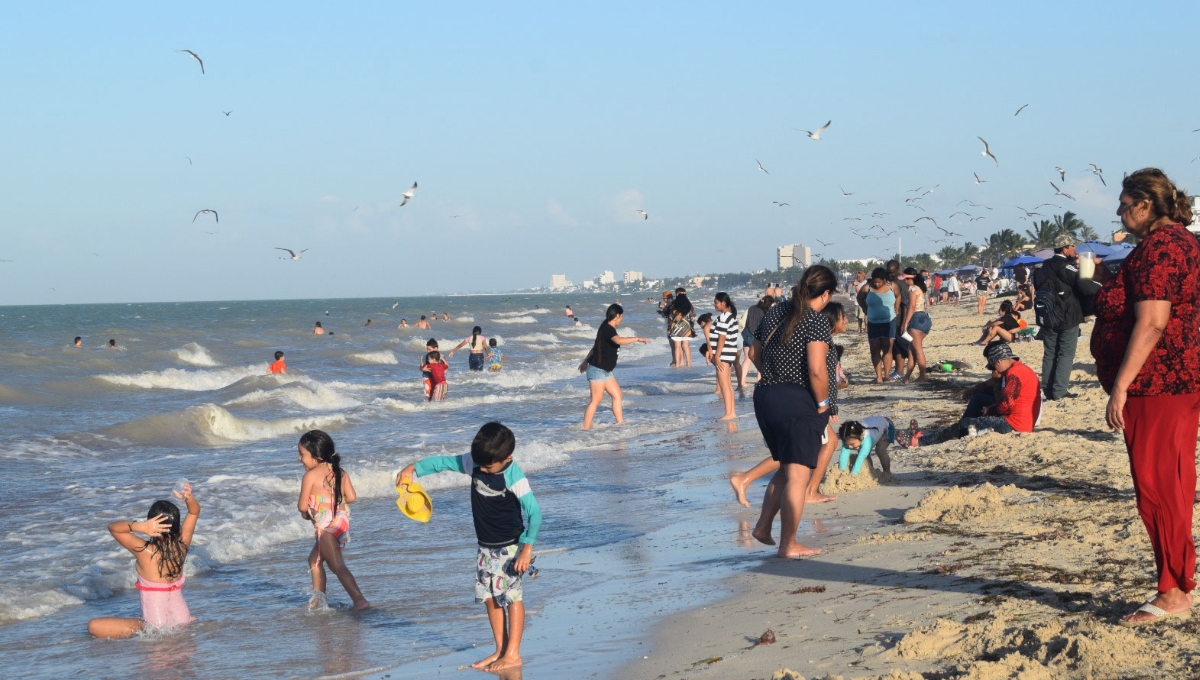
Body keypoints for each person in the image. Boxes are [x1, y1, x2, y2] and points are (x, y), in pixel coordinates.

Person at [1092, 168, 1200, 626]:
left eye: (1122, 204)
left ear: (1143, 205)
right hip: (1181, 378)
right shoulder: (1183, 243)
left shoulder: (1158, 249)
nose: (1118, 212)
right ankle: (1179, 578)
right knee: (1173, 483)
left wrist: (1121, 386)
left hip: (1157, 384)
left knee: (1157, 488)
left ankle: (1174, 589)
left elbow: (1153, 321)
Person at [396, 422, 541, 672]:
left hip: (510, 549)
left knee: (512, 598)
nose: (482, 470)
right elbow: (443, 463)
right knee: (489, 597)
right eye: (480, 465)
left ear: (507, 458)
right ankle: (500, 648)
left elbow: (535, 514)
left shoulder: (513, 475)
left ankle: (514, 653)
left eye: (487, 467)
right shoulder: (475, 462)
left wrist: (527, 548)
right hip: (485, 547)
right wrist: (414, 468)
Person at [746, 265, 837, 558]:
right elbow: (816, 370)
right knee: (798, 476)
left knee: (786, 469)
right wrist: (823, 404)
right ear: (825, 294)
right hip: (796, 401)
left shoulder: (775, 310)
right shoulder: (816, 321)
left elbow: (752, 353)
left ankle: (762, 527)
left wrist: (772, 376)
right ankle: (789, 544)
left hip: (765, 396)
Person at [729, 302, 847, 508]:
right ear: (832, 320)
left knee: (790, 455)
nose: (845, 320)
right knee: (811, 447)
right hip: (807, 404)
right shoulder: (821, 341)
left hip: (782, 399)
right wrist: (829, 406)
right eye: (842, 316)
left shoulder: (804, 337)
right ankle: (807, 490)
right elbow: (821, 376)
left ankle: (761, 515)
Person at [87, 484, 200, 638]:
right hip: (183, 618)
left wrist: (141, 527)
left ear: (151, 523)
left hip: (155, 625)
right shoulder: (182, 546)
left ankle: (142, 629)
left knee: (93, 626)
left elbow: (113, 528)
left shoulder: (146, 552)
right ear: (176, 525)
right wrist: (189, 498)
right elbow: (194, 512)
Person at [296, 430, 368, 610]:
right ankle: (317, 601)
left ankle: (360, 601)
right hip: (340, 521)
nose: (299, 459)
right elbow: (351, 497)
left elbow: (302, 507)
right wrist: (334, 501)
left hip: (326, 526)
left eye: (303, 455)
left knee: (337, 565)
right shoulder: (340, 472)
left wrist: (308, 515)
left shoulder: (310, 476)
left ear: (317, 456)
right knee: (314, 560)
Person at [916, 342, 1041, 446]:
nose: (994, 370)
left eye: (992, 367)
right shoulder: (1022, 369)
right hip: (1024, 422)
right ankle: (957, 430)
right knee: (978, 400)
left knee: (965, 424)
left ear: (998, 361)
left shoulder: (1013, 374)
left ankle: (921, 442)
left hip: (1014, 425)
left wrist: (991, 410)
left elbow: (1006, 405)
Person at [1033, 234, 1089, 400]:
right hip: (1067, 316)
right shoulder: (1064, 266)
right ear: (1065, 249)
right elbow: (1082, 283)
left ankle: (1048, 389)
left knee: (1050, 353)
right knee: (1066, 353)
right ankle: (1060, 391)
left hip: (1048, 314)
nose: (1074, 249)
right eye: (1072, 246)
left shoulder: (1043, 267)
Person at [579, 304, 650, 429]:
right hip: (597, 370)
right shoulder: (607, 329)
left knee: (617, 395)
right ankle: (585, 428)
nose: (622, 319)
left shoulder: (606, 328)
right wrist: (637, 338)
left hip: (605, 370)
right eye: (621, 316)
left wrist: (585, 360)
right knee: (596, 400)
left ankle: (620, 424)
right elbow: (619, 341)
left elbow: (596, 347)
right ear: (617, 316)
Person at [859, 267, 900, 383]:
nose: (877, 284)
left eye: (879, 282)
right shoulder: (867, 288)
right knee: (875, 349)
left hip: (889, 321)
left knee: (887, 348)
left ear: (884, 280)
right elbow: (860, 298)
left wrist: (896, 307)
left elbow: (898, 296)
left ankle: (886, 375)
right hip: (873, 322)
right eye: (875, 282)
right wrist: (865, 309)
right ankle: (878, 377)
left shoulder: (892, 286)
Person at [708, 292, 740, 420]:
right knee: (728, 384)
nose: (714, 305)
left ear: (723, 303)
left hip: (724, 354)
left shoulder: (725, 317)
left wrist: (717, 356)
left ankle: (729, 413)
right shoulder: (730, 316)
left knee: (724, 384)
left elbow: (722, 337)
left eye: (716, 302)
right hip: (728, 353)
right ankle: (731, 412)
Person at [904, 268, 932, 382]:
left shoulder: (913, 289)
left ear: (910, 279)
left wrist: (906, 322)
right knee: (912, 349)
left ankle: (922, 376)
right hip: (925, 318)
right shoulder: (922, 288)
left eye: (905, 279)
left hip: (916, 318)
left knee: (918, 349)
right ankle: (907, 377)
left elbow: (911, 306)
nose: (905, 282)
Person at [888, 262, 914, 382]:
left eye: (893, 272)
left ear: (898, 270)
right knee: (896, 348)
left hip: (900, 321)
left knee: (907, 348)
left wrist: (904, 323)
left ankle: (914, 371)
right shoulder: (890, 283)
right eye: (889, 272)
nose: (890, 274)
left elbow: (905, 305)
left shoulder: (900, 284)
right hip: (892, 321)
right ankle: (899, 371)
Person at [739, 295, 772, 387]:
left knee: (747, 359)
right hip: (757, 337)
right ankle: (759, 378)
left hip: (746, 335)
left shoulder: (751, 308)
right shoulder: (765, 311)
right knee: (760, 357)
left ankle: (742, 381)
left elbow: (742, 320)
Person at [666, 288, 695, 367]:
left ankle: (677, 363)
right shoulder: (689, 305)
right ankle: (689, 363)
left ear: (676, 295)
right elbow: (693, 316)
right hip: (686, 326)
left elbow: (670, 317)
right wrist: (692, 326)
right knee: (686, 345)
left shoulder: (674, 305)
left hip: (676, 327)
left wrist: (669, 328)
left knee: (677, 345)